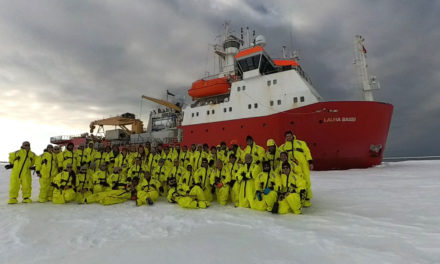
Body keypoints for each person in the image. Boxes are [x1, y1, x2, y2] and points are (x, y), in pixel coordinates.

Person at [280, 130, 313, 206]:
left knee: (306, 180)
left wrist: (310, 162)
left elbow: (307, 152)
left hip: (303, 164)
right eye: (287, 136)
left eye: (289, 136)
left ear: (292, 135)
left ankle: (307, 198)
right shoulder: (284, 146)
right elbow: (279, 154)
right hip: (293, 166)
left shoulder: (301, 143)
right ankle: (298, 196)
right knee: (295, 181)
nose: (288, 137)